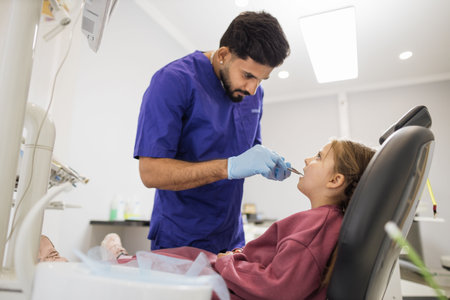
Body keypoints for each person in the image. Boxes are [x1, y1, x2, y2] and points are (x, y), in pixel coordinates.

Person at [105, 139, 376, 300]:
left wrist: (227, 262)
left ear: (335, 180)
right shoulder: (323, 222)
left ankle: (116, 261)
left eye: (318, 156)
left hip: (229, 286)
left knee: (186, 263)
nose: (307, 159)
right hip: (235, 280)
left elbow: (278, 287)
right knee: (188, 256)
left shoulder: (317, 226)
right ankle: (122, 261)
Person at [134, 11, 291, 254]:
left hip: (231, 238)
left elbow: (249, 153)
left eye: (262, 79)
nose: (253, 88)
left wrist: (264, 163)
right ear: (223, 55)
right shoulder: (173, 81)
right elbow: (150, 172)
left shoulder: (253, 93)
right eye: (248, 75)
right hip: (180, 238)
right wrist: (228, 167)